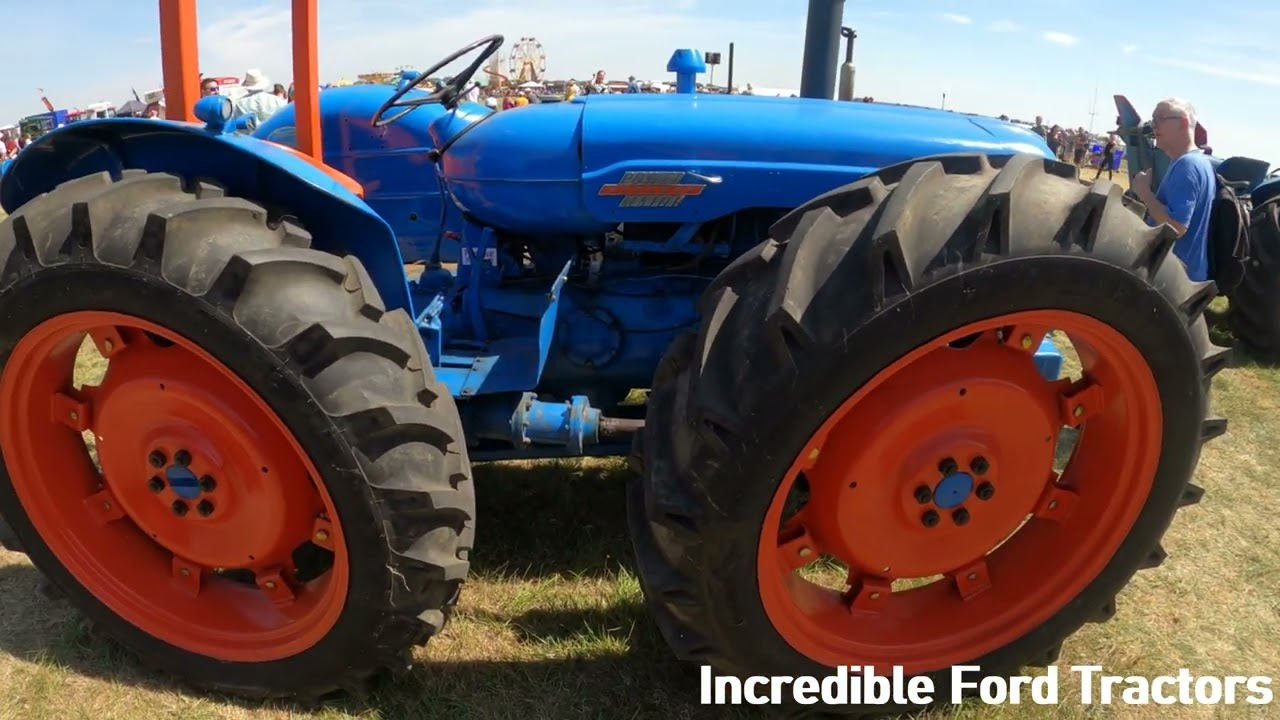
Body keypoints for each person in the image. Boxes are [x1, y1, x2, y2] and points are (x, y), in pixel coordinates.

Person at [1131, 98, 1217, 282]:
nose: (1154, 126)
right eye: (1153, 120)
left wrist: (1144, 192)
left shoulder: (1188, 165)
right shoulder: (1194, 162)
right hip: (1179, 273)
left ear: (1183, 122)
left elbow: (1176, 227)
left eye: (1160, 118)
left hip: (1174, 277)